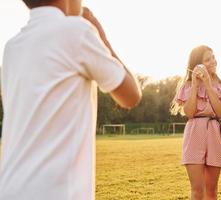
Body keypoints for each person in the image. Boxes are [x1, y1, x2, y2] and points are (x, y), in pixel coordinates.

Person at [0, 0, 141, 199]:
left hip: (10, 187)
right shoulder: (77, 31)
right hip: (55, 191)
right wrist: (101, 37)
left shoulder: (12, 47)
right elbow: (131, 95)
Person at [170, 45, 221, 200]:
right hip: (195, 133)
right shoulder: (187, 86)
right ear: (196, 65)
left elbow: (220, 113)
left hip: (215, 133)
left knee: (212, 190)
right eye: (207, 60)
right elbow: (189, 113)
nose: (213, 61)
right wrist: (195, 84)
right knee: (197, 191)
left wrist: (208, 84)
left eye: (213, 57)